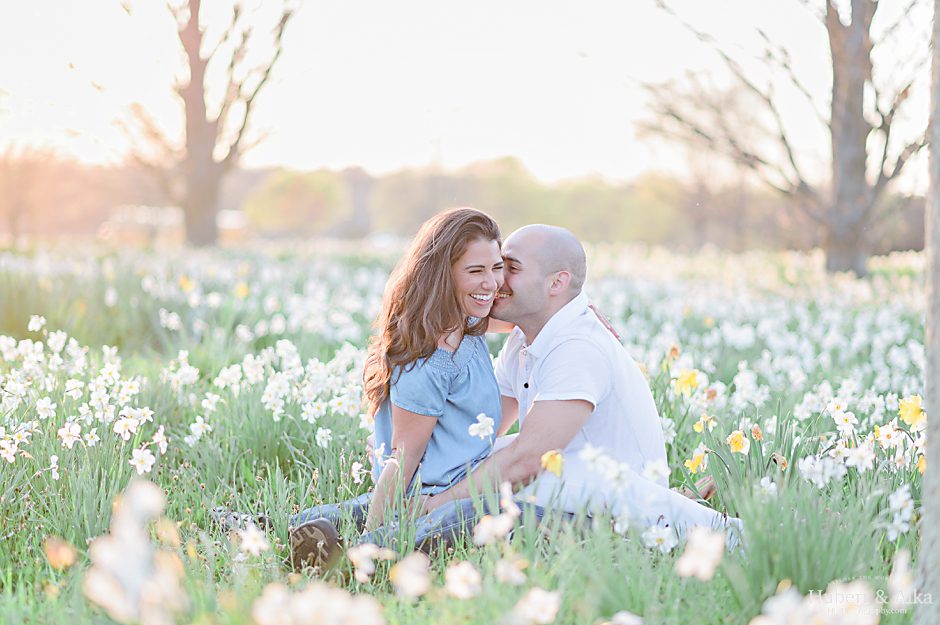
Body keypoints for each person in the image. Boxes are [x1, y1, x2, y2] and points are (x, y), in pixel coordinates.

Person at [420, 224, 741, 542]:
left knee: (460, 514)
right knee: (458, 477)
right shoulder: (528, 334)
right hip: (560, 487)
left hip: (618, 517)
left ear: (557, 283)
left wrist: (434, 505)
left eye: (510, 268)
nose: (497, 280)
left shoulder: (579, 347)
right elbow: (481, 434)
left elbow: (527, 460)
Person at [287, 207, 508, 569]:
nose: (492, 283)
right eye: (475, 271)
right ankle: (360, 557)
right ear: (444, 275)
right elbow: (402, 459)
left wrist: (576, 313)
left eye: (496, 267)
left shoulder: (467, 322)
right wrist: (373, 536)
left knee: (324, 520)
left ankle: (280, 532)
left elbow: (519, 320)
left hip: (457, 480)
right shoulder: (431, 362)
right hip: (432, 499)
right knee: (454, 520)